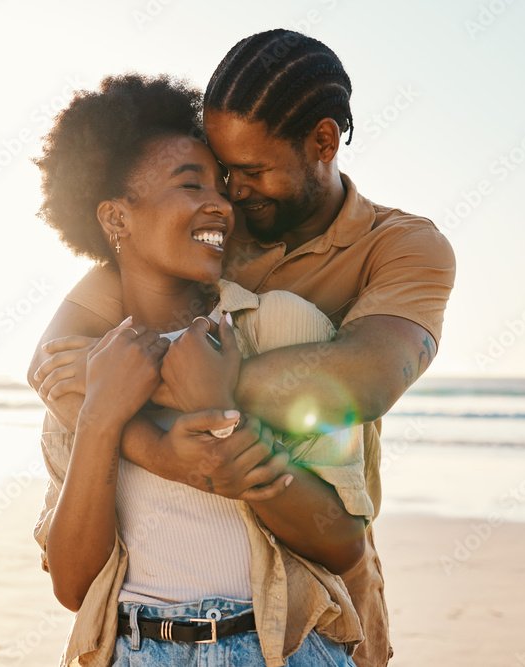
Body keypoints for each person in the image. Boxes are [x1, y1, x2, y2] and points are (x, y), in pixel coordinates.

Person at [29, 30, 456, 667]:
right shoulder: (196, 235)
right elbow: (55, 361)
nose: (232, 194)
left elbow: (361, 379)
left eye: (251, 171)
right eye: (222, 172)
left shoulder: (401, 247)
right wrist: (162, 449)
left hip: (310, 599)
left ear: (323, 142)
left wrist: (187, 391)